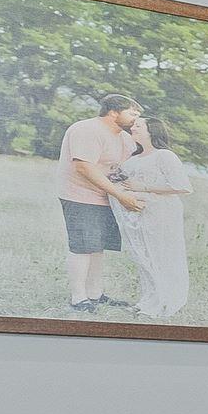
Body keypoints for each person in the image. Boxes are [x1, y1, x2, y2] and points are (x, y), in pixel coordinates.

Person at [53, 94, 142, 312]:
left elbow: (127, 166)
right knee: (83, 247)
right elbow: (84, 167)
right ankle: (78, 298)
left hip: (105, 197)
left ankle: (95, 294)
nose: (136, 119)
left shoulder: (123, 137)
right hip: (80, 195)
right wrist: (121, 195)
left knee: (98, 247)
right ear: (113, 112)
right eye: (132, 113)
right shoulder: (87, 130)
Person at [110, 117, 195, 320]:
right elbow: (123, 181)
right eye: (133, 126)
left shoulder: (164, 156)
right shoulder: (132, 158)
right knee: (143, 255)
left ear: (152, 131)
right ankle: (149, 299)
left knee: (162, 255)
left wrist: (144, 188)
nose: (133, 128)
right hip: (137, 214)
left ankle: (165, 300)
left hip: (162, 213)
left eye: (138, 126)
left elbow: (182, 187)